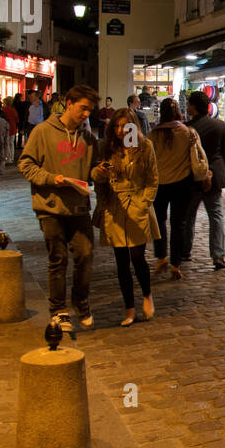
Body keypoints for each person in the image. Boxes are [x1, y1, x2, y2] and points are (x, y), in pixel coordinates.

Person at [18, 85, 99, 333]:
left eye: (90, 110)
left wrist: (100, 172)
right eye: (83, 108)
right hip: (49, 206)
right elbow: (25, 164)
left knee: (85, 254)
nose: (86, 114)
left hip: (78, 207)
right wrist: (51, 178)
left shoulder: (88, 138)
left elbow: (92, 171)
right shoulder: (43, 132)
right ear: (69, 102)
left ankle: (81, 302)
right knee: (58, 259)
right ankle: (58, 310)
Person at [92, 107, 158, 326]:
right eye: (117, 126)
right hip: (114, 208)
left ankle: (147, 295)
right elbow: (96, 179)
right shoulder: (106, 147)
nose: (121, 131)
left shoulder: (145, 146)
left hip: (137, 206)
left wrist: (143, 203)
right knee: (121, 262)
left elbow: (152, 179)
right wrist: (99, 176)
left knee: (138, 257)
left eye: (125, 126)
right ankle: (129, 309)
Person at [149, 97, 209, 280]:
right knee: (179, 224)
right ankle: (176, 263)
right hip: (183, 184)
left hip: (159, 184)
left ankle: (161, 257)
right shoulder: (188, 132)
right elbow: (198, 157)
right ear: (178, 113)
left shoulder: (153, 135)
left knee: (159, 221)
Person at [184, 90, 225, 270]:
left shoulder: (188, 128)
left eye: (189, 104)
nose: (187, 106)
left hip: (194, 177)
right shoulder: (219, 125)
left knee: (189, 215)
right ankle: (218, 255)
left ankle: (185, 250)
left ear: (194, 107)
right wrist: (221, 171)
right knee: (216, 215)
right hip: (215, 174)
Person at [1, 96, 20, 164]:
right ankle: (11, 158)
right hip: (13, 128)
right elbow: (17, 119)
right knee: (11, 144)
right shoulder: (13, 110)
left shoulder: (3, 110)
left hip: (6, 128)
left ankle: (7, 158)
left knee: (6, 144)